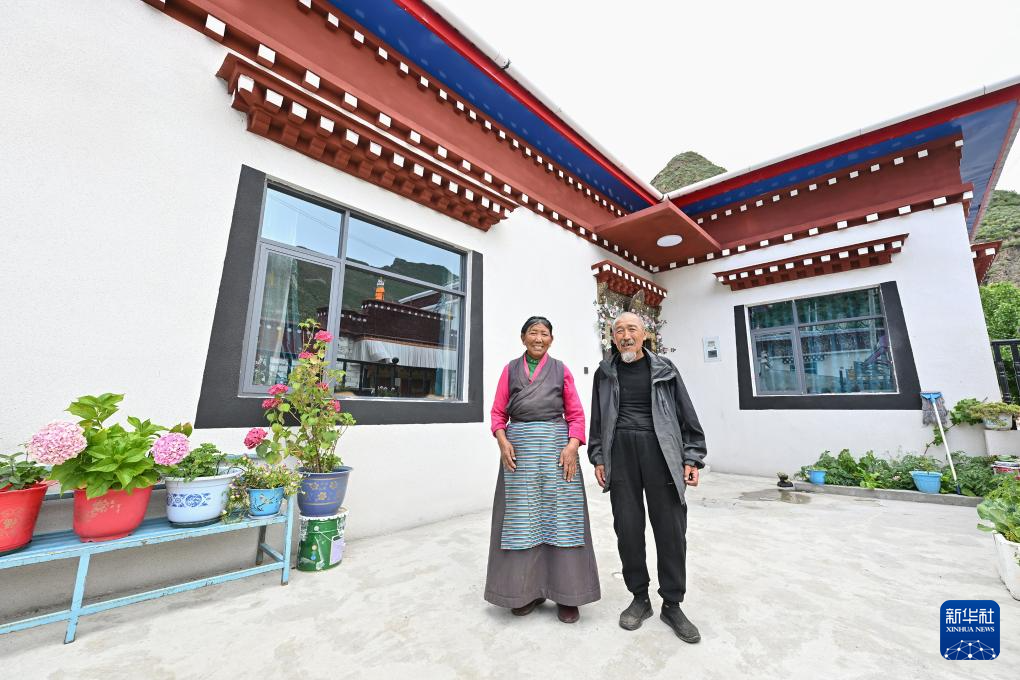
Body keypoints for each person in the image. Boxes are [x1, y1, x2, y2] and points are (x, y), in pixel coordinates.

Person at [588, 312, 707, 642]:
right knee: (627, 529)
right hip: (621, 455)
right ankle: (639, 598)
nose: (625, 335)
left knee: (671, 530)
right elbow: (597, 420)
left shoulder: (665, 369)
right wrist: (598, 457)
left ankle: (672, 603)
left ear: (645, 334)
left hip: (661, 452)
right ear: (612, 338)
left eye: (632, 329)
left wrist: (692, 456)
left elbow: (687, 414)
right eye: (619, 330)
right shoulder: (604, 373)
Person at [484, 316, 600, 623]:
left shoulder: (561, 370)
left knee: (562, 519)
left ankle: (567, 594)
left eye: (544, 333)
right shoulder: (510, 370)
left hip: (557, 451)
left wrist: (572, 446)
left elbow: (576, 414)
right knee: (522, 520)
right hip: (519, 451)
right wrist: (502, 441)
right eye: (533, 333)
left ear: (551, 339)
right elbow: (497, 413)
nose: (538, 338)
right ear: (523, 337)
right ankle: (525, 591)